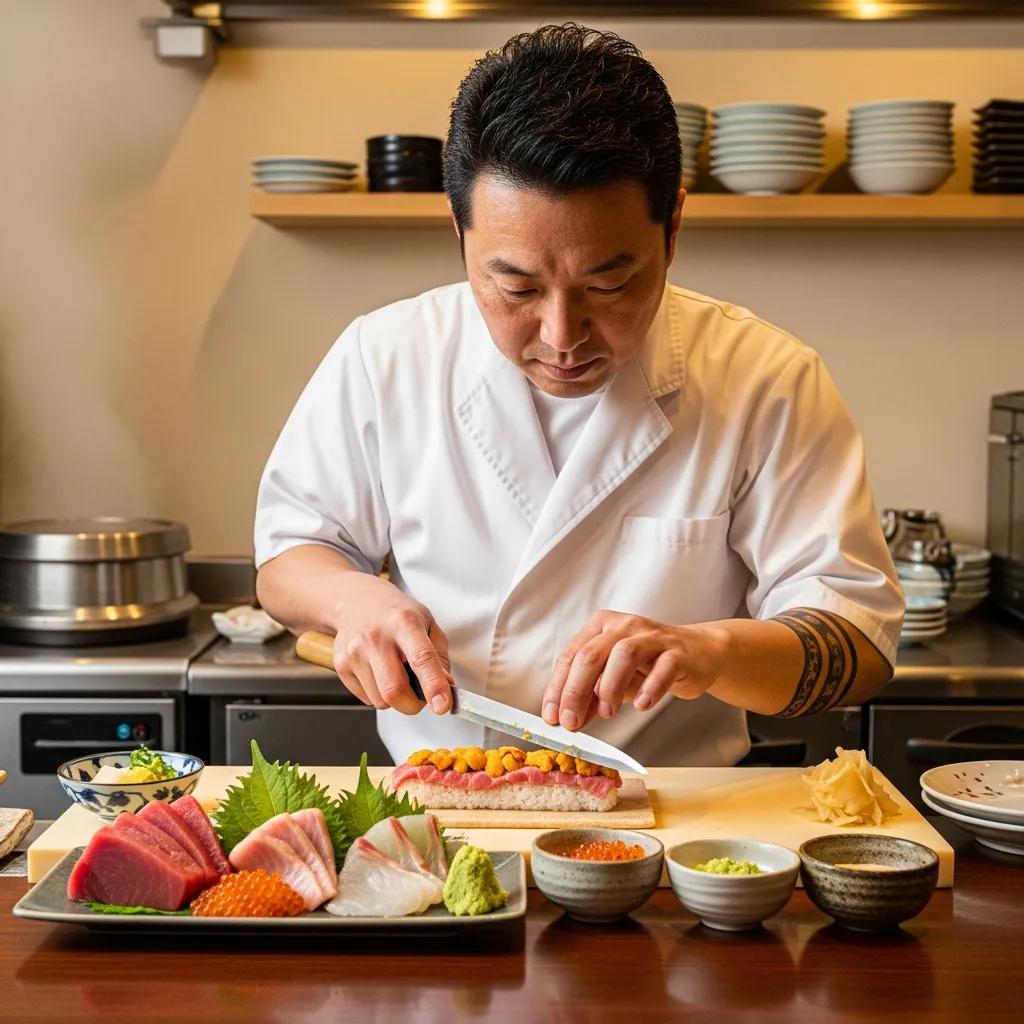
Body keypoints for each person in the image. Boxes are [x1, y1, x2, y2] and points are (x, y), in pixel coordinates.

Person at [254, 24, 904, 767]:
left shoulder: (763, 379)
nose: (562, 336)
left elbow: (859, 641)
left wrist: (708, 650)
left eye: (609, 284)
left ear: (674, 229)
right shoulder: (386, 357)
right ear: (459, 230)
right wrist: (353, 601)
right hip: (441, 807)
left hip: (669, 819)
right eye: (516, 286)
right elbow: (287, 557)